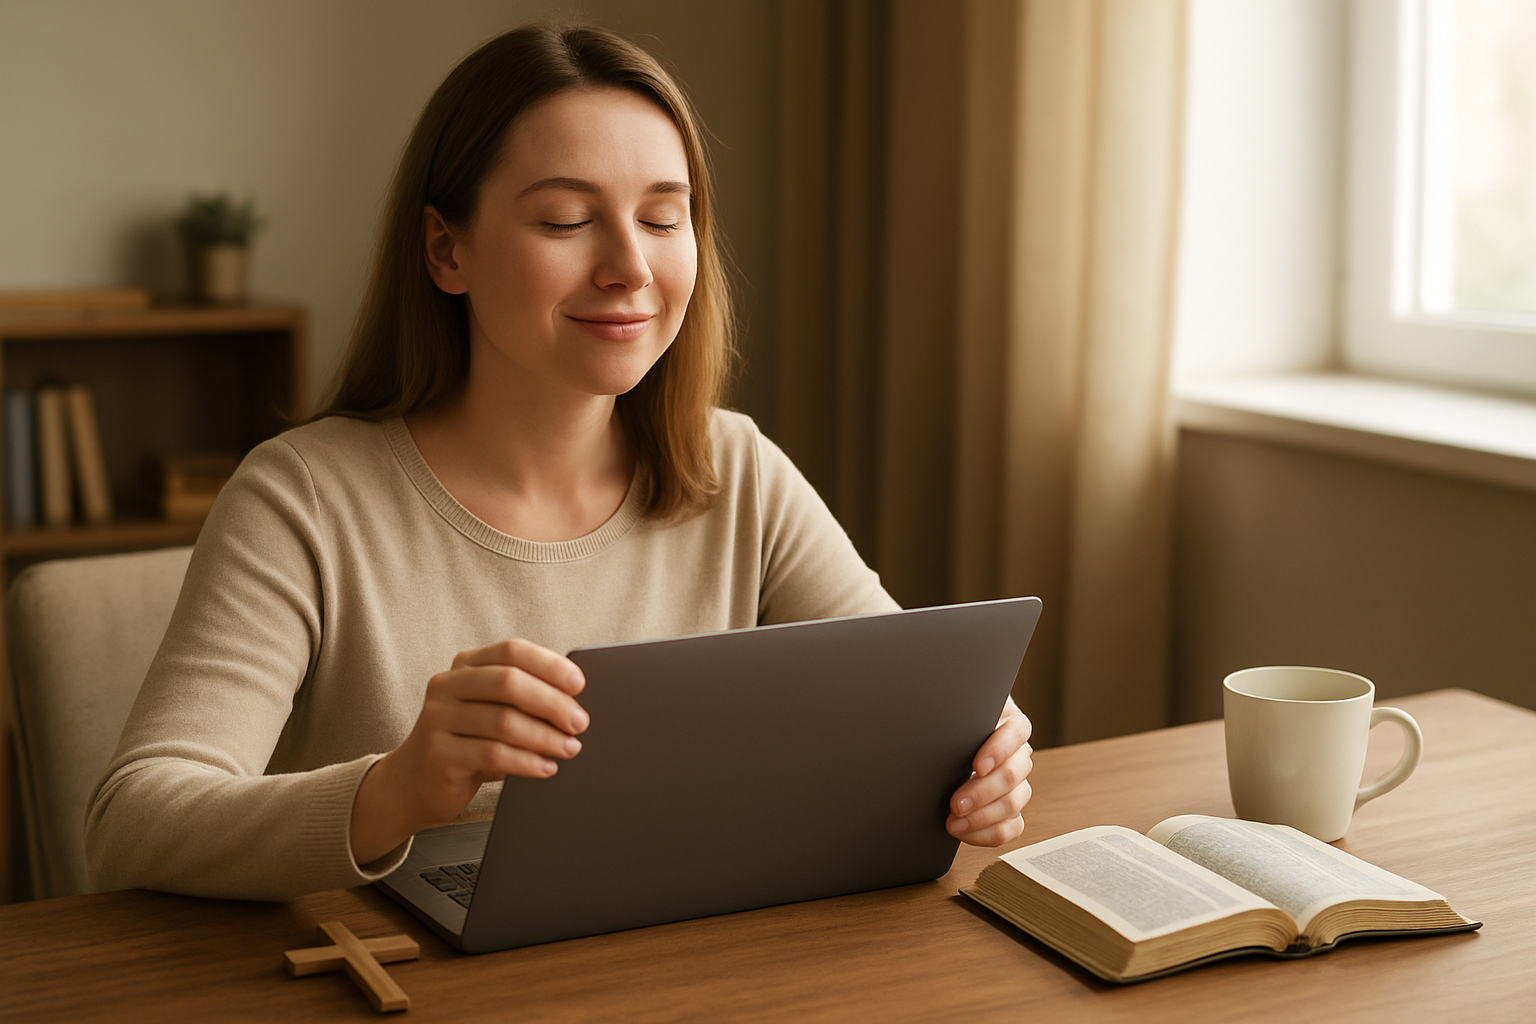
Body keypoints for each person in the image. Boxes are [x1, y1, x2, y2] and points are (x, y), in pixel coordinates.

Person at [85, 24, 1033, 900]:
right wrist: (400, 788)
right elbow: (130, 823)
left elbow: (908, 701)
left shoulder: (736, 468)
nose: (630, 266)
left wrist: (975, 755)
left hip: (666, 953)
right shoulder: (303, 498)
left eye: (665, 219)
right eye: (568, 220)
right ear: (445, 248)